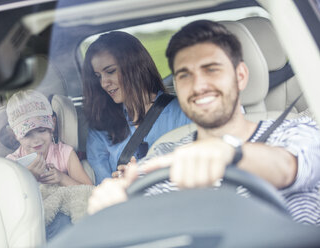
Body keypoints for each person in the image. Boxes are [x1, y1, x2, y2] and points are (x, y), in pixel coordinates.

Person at [87, 20, 320, 226]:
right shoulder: (162, 159)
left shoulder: (297, 132)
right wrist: (114, 204)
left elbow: (289, 166)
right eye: (185, 75)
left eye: (212, 69)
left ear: (240, 76)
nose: (198, 85)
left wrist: (228, 153)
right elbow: (143, 219)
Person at [82, 31, 191, 185]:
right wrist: (122, 184)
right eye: (98, 76)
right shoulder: (100, 129)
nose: (104, 83)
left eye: (110, 71)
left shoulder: (183, 112)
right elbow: (104, 187)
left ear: (134, 65)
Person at [5, 90, 93, 240]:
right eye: (27, 134)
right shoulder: (12, 163)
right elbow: (10, 205)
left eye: (41, 130)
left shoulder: (65, 153)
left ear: (52, 124)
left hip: (64, 220)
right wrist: (29, 178)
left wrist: (61, 178)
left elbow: (88, 190)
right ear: (16, 135)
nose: (36, 140)